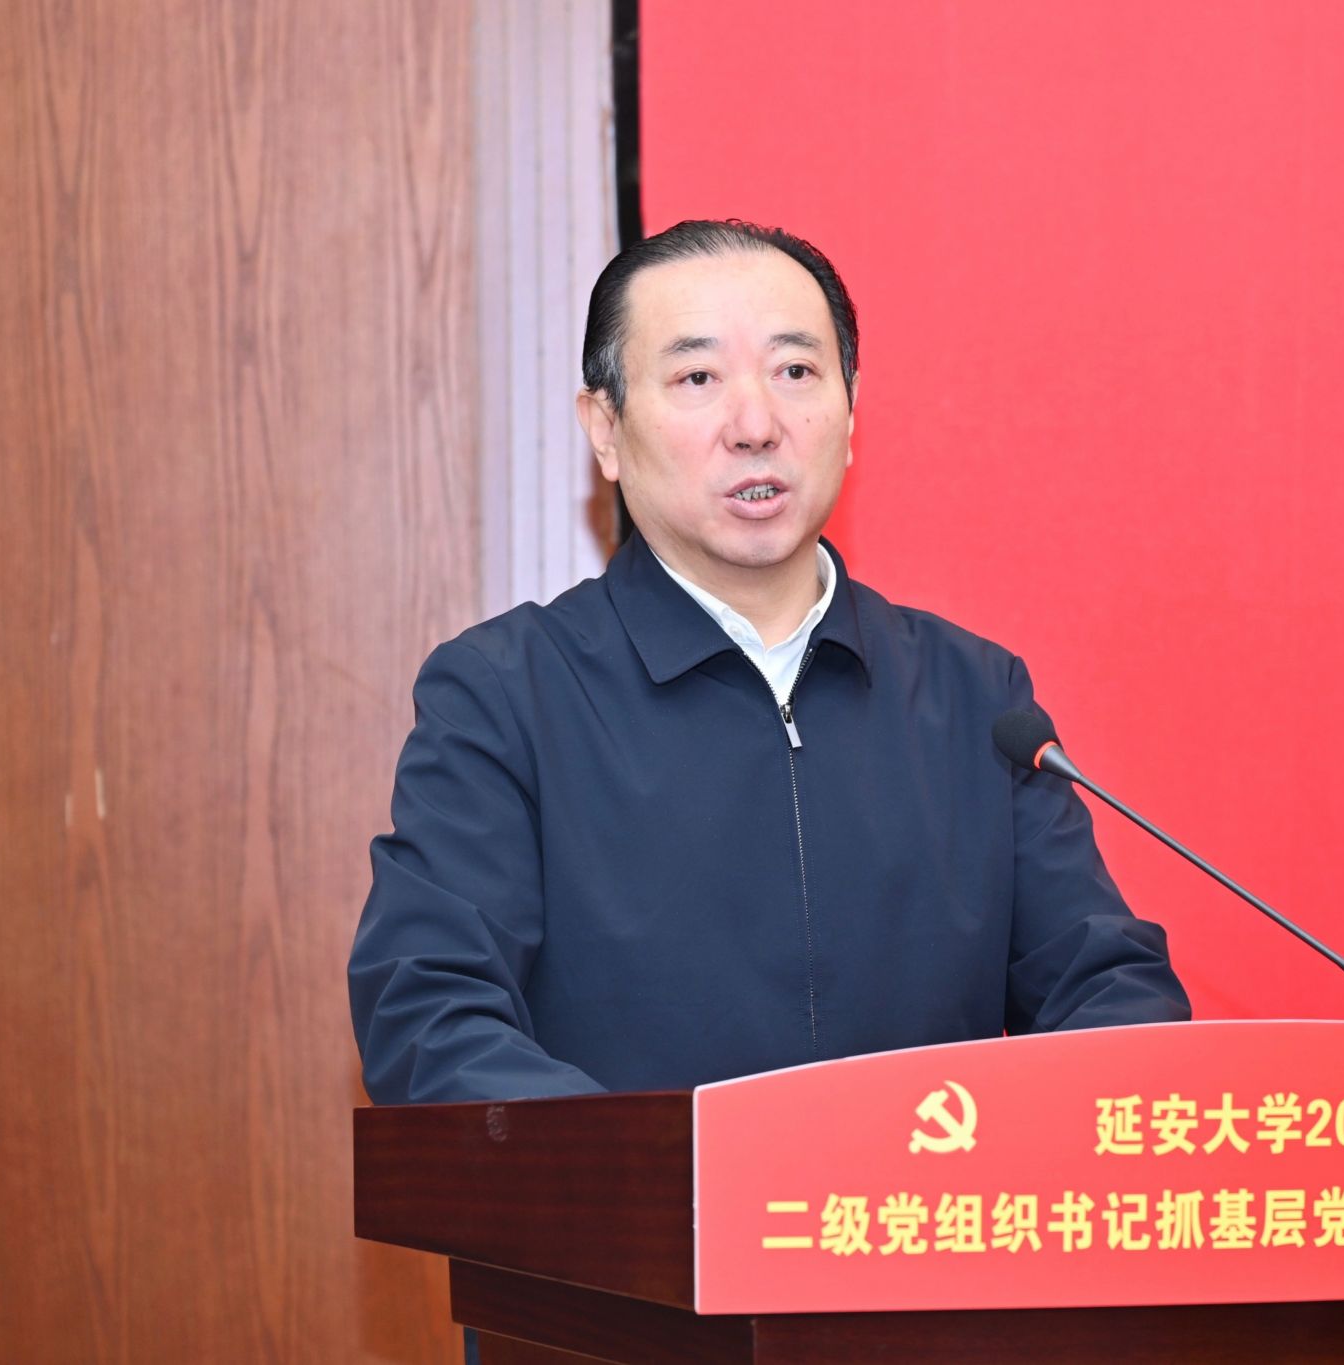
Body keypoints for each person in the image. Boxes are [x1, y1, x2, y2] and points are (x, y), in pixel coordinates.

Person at [348, 220, 1189, 1104]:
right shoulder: (506, 698)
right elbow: (431, 1015)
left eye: (795, 371)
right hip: (646, 1199)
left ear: (851, 414)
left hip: (925, 1195)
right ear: (605, 429)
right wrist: (677, 1170)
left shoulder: (976, 700)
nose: (756, 426)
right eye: (698, 378)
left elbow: (1107, 986)